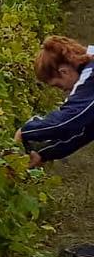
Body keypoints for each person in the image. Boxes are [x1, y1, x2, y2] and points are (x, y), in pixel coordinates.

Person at [17, 36, 94, 166]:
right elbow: (85, 131)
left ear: (64, 72)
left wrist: (25, 131)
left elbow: (65, 123)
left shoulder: (91, 78)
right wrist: (43, 153)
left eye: (57, 85)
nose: (63, 90)